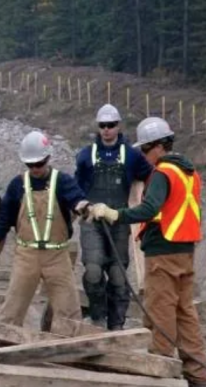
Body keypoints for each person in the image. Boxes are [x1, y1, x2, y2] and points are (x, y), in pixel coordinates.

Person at [87, 117, 206, 386]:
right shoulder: (190, 173)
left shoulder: (163, 173)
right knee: (184, 311)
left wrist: (113, 214)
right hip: (185, 250)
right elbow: (181, 211)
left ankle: (160, 366)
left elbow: (149, 209)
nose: (143, 156)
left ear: (157, 146)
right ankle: (198, 373)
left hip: (163, 252)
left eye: (144, 150)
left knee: (160, 309)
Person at [0, 131, 89, 327]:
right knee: (11, 310)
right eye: (30, 165)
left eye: (39, 164)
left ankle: (69, 350)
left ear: (48, 158)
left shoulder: (62, 181)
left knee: (68, 311)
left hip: (57, 256)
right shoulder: (18, 185)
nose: (35, 169)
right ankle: (3, 345)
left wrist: (83, 206)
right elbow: (4, 217)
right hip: (26, 255)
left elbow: (76, 198)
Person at [75, 104, 152, 330]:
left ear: (118, 126)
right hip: (91, 222)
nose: (107, 130)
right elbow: (77, 187)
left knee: (118, 275)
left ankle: (116, 323)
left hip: (120, 220)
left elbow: (149, 178)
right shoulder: (85, 155)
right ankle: (97, 317)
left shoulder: (132, 155)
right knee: (93, 269)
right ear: (98, 128)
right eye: (103, 126)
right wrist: (81, 207)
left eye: (111, 125)